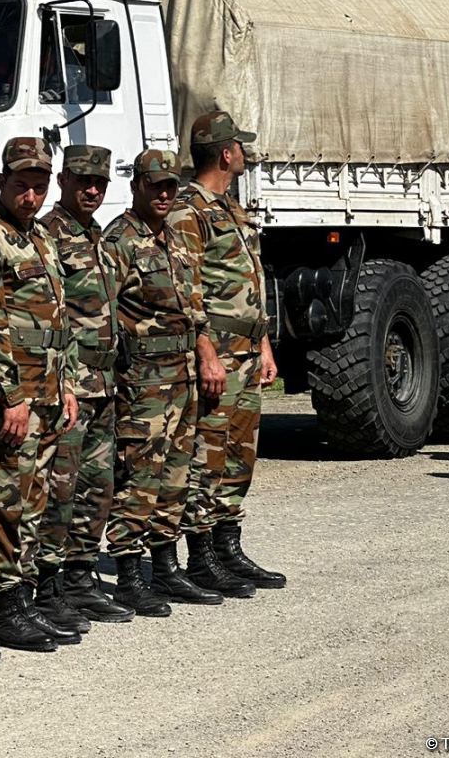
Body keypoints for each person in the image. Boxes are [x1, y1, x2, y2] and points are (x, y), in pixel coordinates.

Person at [0, 138, 80, 653]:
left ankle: (30, 594)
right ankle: (5, 606)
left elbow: (62, 320)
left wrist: (69, 386)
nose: (31, 195)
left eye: (39, 186)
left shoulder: (41, 238)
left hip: (51, 391)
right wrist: (9, 395)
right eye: (21, 185)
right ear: (3, 183)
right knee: (6, 499)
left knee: (39, 498)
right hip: (16, 397)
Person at [169, 112, 285, 589]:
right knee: (208, 454)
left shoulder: (229, 209)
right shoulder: (188, 210)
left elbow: (249, 286)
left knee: (240, 454)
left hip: (245, 349)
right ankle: (200, 555)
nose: (244, 152)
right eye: (239, 145)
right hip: (217, 350)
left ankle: (227, 544)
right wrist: (205, 352)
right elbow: (186, 287)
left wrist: (263, 345)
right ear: (224, 152)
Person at [98, 149, 214, 617]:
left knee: (176, 473)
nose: (164, 194)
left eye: (171, 187)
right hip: (143, 379)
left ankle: (165, 566)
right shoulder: (119, 241)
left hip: (182, 374)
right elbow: (101, 313)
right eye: (155, 186)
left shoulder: (177, 240)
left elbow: (194, 309)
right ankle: (128, 573)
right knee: (141, 474)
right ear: (137, 187)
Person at [37, 144, 135, 624]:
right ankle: (47, 584)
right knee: (60, 488)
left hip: (105, 381)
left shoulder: (97, 235)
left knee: (99, 485)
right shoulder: (49, 234)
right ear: (63, 182)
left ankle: (80, 575)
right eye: (82, 181)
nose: (92, 190)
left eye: (99, 183)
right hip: (70, 384)